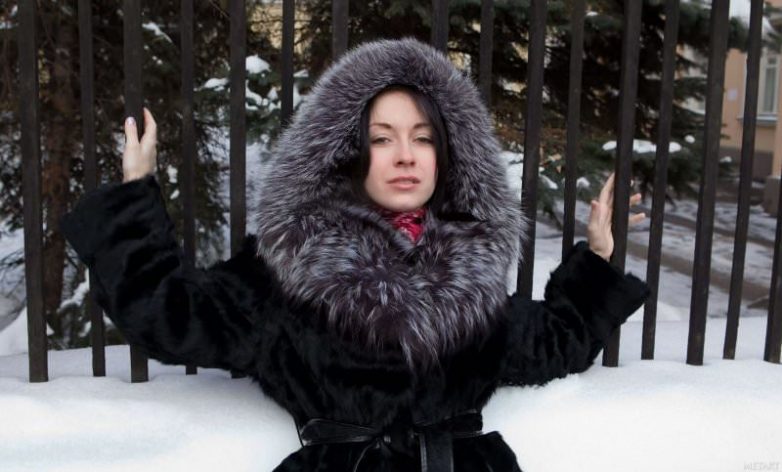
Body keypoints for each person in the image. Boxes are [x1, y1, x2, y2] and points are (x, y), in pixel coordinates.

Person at [60, 37, 650, 472]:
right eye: (381, 138)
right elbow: (171, 318)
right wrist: (135, 196)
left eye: (423, 138)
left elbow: (555, 343)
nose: (405, 155)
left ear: (447, 155)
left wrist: (597, 259)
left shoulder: (472, 274)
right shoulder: (289, 271)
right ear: (348, 153)